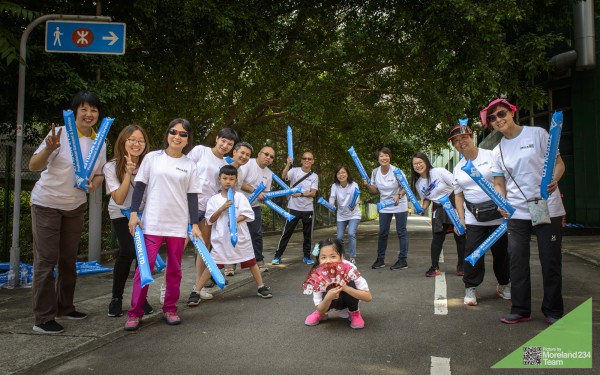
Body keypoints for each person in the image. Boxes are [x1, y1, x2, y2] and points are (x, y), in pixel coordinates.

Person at [28, 90, 107, 334]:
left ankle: (65, 306)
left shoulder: (100, 141)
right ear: (74, 113)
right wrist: (48, 149)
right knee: (46, 260)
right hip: (47, 203)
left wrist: (95, 183)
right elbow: (33, 166)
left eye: (93, 110)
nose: (89, 114)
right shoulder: (59, 134)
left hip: (75, 206)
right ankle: (43, 318)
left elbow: (100, 171)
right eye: (83, 109)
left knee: (68, 260)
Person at [482, 98, 566, 325]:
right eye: (492, 118)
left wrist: (555, 180)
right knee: (517, 260)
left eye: (501, 114)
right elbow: (499, 182)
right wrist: (502, 201)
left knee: (550, 260)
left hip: (545, 206)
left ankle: (553, 310)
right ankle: (520, 309)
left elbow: (559, 164)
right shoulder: (497, 150)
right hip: (517, 211)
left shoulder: (537, 134)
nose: (498, 120)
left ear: (511, 112)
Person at [124, 118, 203, 331]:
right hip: (152, 222)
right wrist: (133, 214)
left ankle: (170, 309)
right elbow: (139, 187)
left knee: (175, 269)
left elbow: (193, 197)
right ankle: (135, 313)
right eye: (173, 132)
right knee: (145, 267)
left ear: (188, 140)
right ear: (167, 134)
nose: (177, 136)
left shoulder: (190, 165)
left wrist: (194, 225)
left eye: (183, 134)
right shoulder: (152, 158)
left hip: (177, 225)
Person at [449, 124, 511, 306]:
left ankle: (503, 284)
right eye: (456, 141)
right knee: (473, 253)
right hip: (473, 217)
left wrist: (505, 203)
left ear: (472, 137)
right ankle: (470, 288)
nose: (461, 143)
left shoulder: (491, 155)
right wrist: (460, 219)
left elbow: (502, 181)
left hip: (498, 214)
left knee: (501, 253)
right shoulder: (458, 168)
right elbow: (458, 196)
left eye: (464, 138)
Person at [190, 165, 272, 301]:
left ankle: (261, 286)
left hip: (241, 238)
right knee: (213, 264)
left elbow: (247, 214)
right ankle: (196, 292)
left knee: (251, 262)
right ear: (219, 179)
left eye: (231, 179)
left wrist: (234, 220)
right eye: (225, 178)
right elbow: (210, 219)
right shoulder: (214, 200)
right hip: (221, 239)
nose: (228, 181)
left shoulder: (240, 197)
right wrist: (222, 208)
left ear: (236, 180)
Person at [104, 125, 155, 317]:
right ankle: (116, 298)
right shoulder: (111, 166)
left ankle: (140, 299)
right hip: (121, 213)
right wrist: (128, 173)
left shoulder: (149, 164)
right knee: (129, 251)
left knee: (145, 255)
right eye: (132, 139)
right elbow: (118, 198)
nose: (136, 144)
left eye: (140, 140)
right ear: (123, 141)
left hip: (143, 214)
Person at [187, 128, 239, 305]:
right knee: (177, 247)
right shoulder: (200, 151)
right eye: (223, 141)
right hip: (188, 205)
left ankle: (197, 288)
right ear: (216, 138)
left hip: (208, 210)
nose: (225, 145)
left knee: (203, 249)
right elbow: (184, 171)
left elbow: (227, 186)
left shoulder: (226, 163)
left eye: (230, 144)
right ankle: (166, 289)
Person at [411, 152, 466, 277]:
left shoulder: (439, 171)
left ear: (426, 161)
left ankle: (462, 266)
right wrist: (423, 207)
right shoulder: (419, 183)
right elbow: (426, 198)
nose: (418, 165)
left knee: (460, 236)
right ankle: (434, 267)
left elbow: (456, 185)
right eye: (415, 164)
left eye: (420, 162)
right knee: (437, 239)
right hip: (438, 208)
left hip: (453, 203)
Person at [304, 238, 372, 329]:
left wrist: (346, 288)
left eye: (333, 256)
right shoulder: (317, 274)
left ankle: (354, 312)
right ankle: (322, 314)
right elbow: (319, 307)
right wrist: (328, 298)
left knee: (349, 283)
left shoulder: (350, 269)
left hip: (347, 299)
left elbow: (368, 297)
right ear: (319, 259)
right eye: (323, 257)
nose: (328, 261)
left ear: (342, 257)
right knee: (324, 299)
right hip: (328, 302)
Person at [364, 147, 409, 270]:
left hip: (399, 203)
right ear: (378, 158)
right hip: (384, 205)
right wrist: (368, 185)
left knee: (401, 232)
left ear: (390, 157)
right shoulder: (375, 172)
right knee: (383, 233)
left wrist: (399, 195)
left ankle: (402, 260)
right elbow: (374, 191)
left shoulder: (397, 171)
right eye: (381, 156)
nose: (384, 158)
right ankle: (380, 259)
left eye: (386, 155)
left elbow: (406, 186)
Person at [272, 152, 319, 265]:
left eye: (309, 159)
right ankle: (278, 256)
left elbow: (313, 193)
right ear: (301, 160)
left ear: (312, 161)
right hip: (293, 208)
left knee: (307, 234)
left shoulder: (314, 176)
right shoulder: (295, 171)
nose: (307, 160)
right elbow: (283, 176)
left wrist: (300, 194)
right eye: (305, 158)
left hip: (308, 209)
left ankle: (307, 257)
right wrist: (288, 164)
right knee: (287, 232)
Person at [240, 146, 275, 269]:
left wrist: (265, 197)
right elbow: (239, 182)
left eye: (271, 157)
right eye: (266, 154)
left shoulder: (269, 174)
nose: (268, 158)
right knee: (234, 233)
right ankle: (230, 265)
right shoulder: (248, 163)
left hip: (254, 206)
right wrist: (255, 191)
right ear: (259, 153)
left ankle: (259, 261)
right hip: (238, 205)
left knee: (256, 234)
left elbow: (266, 192)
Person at [223, 141, 253, 276]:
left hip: (232, 211)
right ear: (234, 152)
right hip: (216, 209)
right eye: (242, 152)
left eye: (247, 155)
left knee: (231, 238)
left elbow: (239, 191)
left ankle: (228, 266)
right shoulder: (222, 164)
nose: (244, 156)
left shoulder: (240, 172)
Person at [329, 166, 362, 264]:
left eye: (343, 172)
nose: (341, 175)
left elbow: (357, 197)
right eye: (339, 173)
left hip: (354, 214)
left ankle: (352, 257)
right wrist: (331, 204)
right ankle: (342, 256)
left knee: (351, 233)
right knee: (339, 237)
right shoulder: (334, 186)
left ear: (347, 174)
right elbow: (332, 197)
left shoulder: (353, 184)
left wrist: (354, 204)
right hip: (341, 215)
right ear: (336, 175)